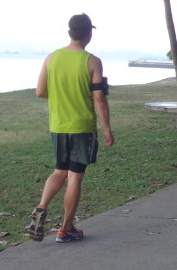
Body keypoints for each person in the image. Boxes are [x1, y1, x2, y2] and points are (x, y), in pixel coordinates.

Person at [26, 14, 114, 243]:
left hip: (58, 126)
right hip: (82, 127)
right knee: (74, 176)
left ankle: (42, 206)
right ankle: (65, 229)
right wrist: (106, 128)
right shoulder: (92, 61)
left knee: (59, 171)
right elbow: (99, 99)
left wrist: (61, 98)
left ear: (69, 33)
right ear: (89, 33)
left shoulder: (51, 58)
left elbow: (40, 92)